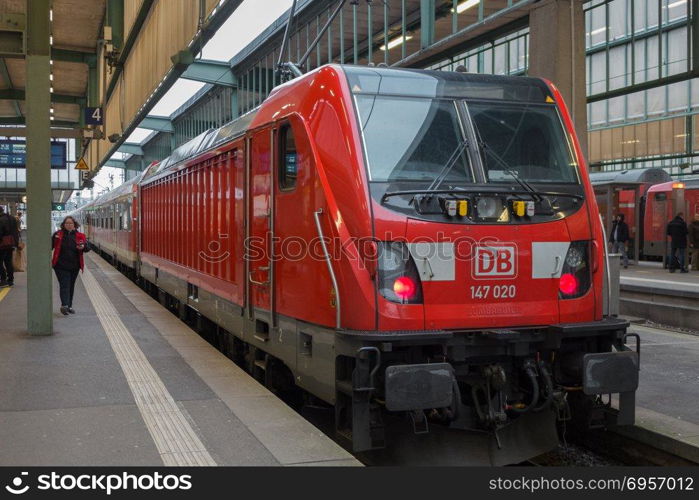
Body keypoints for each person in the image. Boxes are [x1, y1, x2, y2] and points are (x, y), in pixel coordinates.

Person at [51, 216, 90, 315]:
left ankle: (69, 306)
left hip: (74, 266)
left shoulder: (80, 235)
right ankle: (64, 305)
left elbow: (87, 248)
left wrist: (83, 247)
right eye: (67, 223)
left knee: (71, 285)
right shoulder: (58, 234)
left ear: (74, 225)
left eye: (71, 223)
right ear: (63, 225)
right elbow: (50, 245)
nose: (69, 225)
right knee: (65, 284)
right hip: (60, 265)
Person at [0, 206, 19, 287]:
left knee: (0, 262)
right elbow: (16, 231)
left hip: (2, 244)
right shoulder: (12, 218)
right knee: (8, 262)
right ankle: (10, 280)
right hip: (11, 243)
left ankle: (3, 279)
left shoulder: (0, 220)